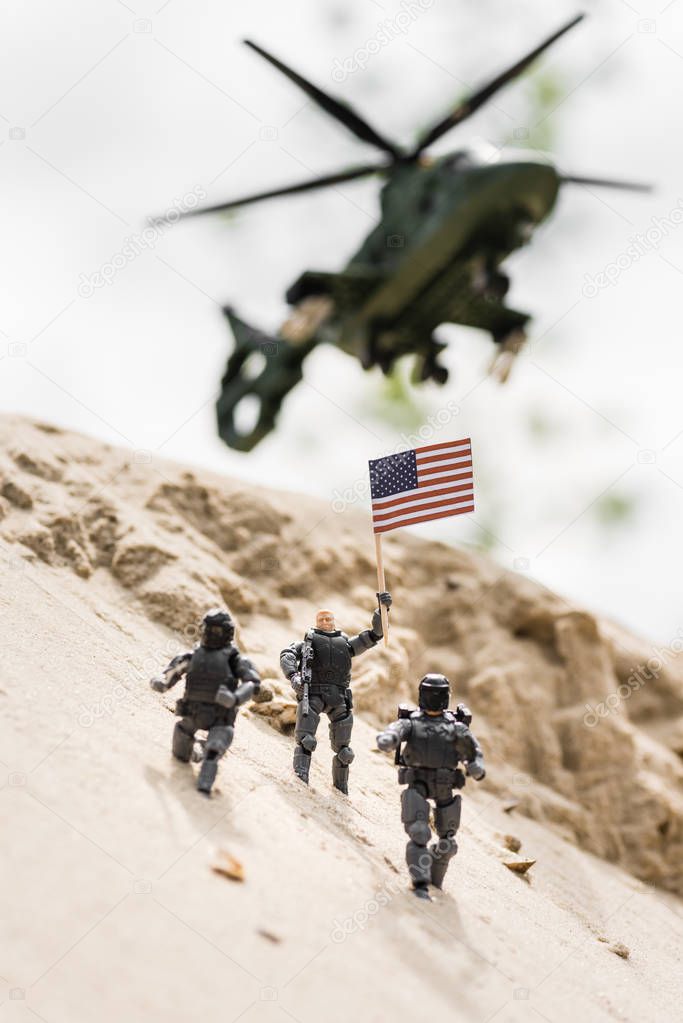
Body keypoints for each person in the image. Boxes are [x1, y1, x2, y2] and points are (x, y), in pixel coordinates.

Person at [376, 673, 485, 899]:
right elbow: (395, 730)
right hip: (418, 782)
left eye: (438, 694)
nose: (434, 698)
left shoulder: (456, 728)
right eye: (430, 694)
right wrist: (388, 739)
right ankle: (420, 885)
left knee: (448, 843)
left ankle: (436, 881)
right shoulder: (412, 722)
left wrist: (475, 765)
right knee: (418, 831)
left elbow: (472, 750)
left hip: (445, 786)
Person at [280, 593, 392, 794]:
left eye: (328, 619)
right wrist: (293, 676)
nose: (325, 621)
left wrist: (381, 609)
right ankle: (300, 776)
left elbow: (375, 634)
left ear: (334, 622)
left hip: (339, 698)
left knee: (345, 752)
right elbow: (287, 654)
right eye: (321, 619)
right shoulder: (308, 642)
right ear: (316, 622)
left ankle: (341, 789)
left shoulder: (345, 643)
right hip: (313, 694)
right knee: (306, 740)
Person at [150, 608, 261, 795]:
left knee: (214, 751)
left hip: (220, 717)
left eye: (216, 630)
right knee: (180, 752)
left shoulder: (234, 659)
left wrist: (235, 698)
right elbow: (174, 671)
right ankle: (196, 750)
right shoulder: (194, 655)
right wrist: (163, 681)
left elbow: (253, 683)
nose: (210, 634)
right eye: (207, 628)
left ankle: (204, 784)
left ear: (227, 633)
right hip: (192, 713)